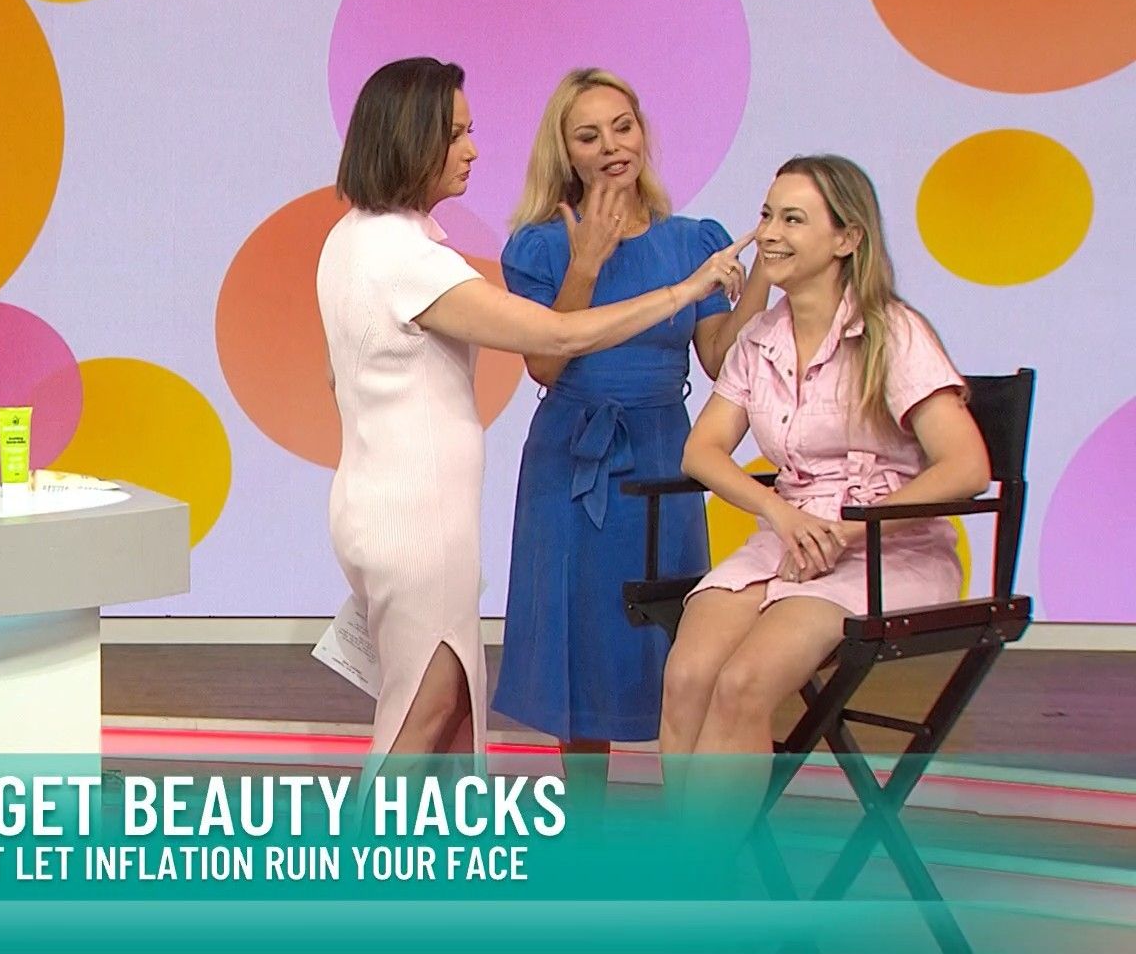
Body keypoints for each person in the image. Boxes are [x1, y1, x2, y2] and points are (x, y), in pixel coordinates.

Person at [317, 57, 752, 757]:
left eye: (624, 127)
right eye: (456, 135)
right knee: (429, 706)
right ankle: (380, 840)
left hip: (401, 503)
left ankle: (430, 840)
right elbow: (552, 343)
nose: (472, 150)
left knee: (441, 707)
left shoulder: (358, 238)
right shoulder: (417, 257)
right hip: (422, 513)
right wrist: (670, 289)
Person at [661, 154, 989, 826]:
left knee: (743, 683)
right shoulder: (757, 339)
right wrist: (778, 513)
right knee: (688, 676)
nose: (769, 234)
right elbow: (701, 450)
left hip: (885, 549)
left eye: (793, 219)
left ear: (847, 238)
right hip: (790, 537)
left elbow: (966, 466)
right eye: (766, 216)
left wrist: (848, 529)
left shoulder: (893, 331)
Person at [493, 69, 768, 801]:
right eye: (589, 135)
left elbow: (721, 361)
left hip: (663, 454)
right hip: (572, 457)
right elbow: (545, 363)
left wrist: (762, 278)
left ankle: (689, 811)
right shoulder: (539, 248)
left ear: (643, 132)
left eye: (623, 126)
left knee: (668, 623)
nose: (612, 146)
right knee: (581, 635)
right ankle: (587, 819)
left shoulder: (692, 241)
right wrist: (584, 266)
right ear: (567, 153)